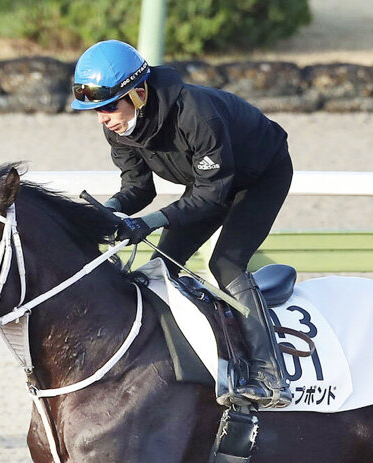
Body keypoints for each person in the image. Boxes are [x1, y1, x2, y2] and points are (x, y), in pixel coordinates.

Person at [71, 39, 293, 408]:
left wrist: (150, 223)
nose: (102, 118)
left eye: (108, 106)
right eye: (95, 110)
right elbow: (138, 188)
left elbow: (212, 197)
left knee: (226, 263)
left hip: (260, 177)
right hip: (209, 182)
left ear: (138, 93)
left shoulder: (197, 115)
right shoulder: (118, 127)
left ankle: (270, 377)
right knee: (160, 268)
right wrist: (107, 211)